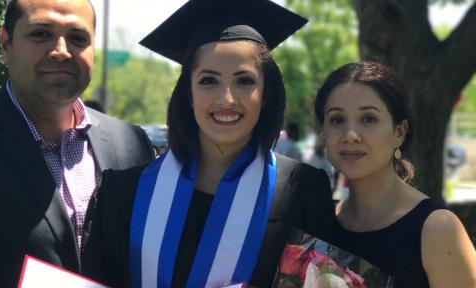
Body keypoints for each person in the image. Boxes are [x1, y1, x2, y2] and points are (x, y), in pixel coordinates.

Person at [84, 0, 335, 287]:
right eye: (208, 81)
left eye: (244, 81)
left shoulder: (303, 192)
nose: (226, 98)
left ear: (265, 94)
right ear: (189, 94)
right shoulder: (123, 192)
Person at [0, 0, 154, 287]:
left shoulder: (132, 145)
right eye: (41, 34)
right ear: (5, 44)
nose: (61, 51)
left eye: (78, 38)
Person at [314, 61, 476, 287]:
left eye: (368, 119)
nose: (350, 135)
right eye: (337, 120)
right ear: (323, 132)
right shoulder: (318, 222)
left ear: (399, 132)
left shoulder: (438, 229)